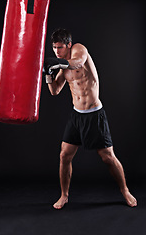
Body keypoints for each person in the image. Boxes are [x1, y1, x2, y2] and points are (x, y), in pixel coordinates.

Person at [44, 28, 137, 209]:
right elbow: (54, 91)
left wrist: (55, 62)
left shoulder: (79, 50)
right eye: (54, 48)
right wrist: (47, 74)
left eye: (60, 47)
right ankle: (64, 196)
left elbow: (77, 63)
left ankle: (125, 190)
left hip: (94, 114)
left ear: (69, 45)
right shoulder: (62, 68)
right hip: (77, 116)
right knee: (64, 155)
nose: (57, 51)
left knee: (108, 157)